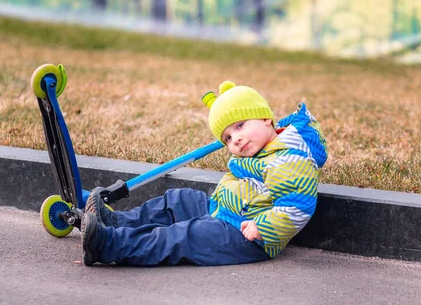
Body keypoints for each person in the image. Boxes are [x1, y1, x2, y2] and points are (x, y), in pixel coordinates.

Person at [80, 80, 327, 266]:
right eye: (228, 137)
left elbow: (298, 206)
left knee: (181, 237)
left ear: (266, 119)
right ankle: (118, 222)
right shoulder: (265, 147)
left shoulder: (290, 158)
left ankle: (108, 244)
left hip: (244, 235)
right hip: (221, 209)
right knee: (177, 200)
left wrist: (263, 228)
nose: (236, 139)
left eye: (241, 126)